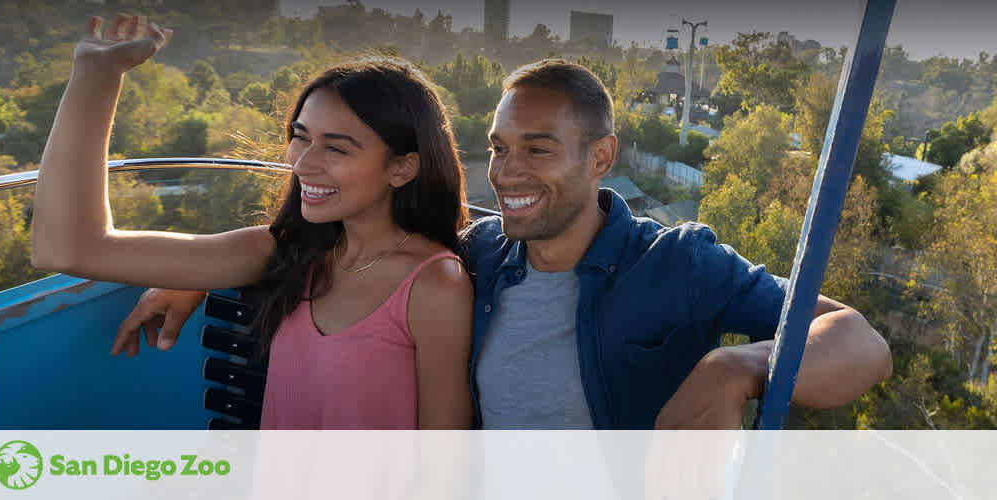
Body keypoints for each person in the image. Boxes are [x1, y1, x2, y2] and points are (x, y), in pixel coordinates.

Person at [113, 59, 892, 430]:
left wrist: (736, 364)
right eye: (498, 146)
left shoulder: (678, 262)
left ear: (601, 157)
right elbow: (357, 241)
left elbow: (858, 342)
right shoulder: (477, 256)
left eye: (539, 149)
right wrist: (209, 275)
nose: (509, 172)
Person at [30, 14, 474, 429]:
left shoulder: (434, 285)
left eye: (336, 148)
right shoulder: (284, 252)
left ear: (402, 168)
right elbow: (67, 247)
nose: (303, 164)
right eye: (300, 138)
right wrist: (96, 75)